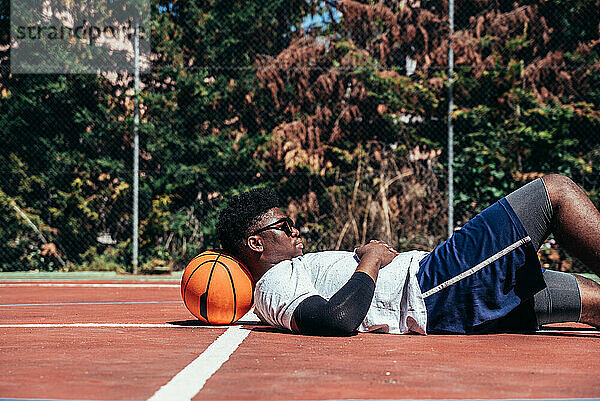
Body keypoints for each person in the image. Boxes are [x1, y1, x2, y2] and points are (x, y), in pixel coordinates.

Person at [216, 174, 600, 335]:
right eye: (284, 227)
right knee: (554, 192)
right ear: (255, 243)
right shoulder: (273, 284)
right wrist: (371, 258)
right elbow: (336, 319)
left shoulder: (292, 271)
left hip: (445, 290)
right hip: (435, 286)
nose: (294, 229)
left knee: (591, 299)